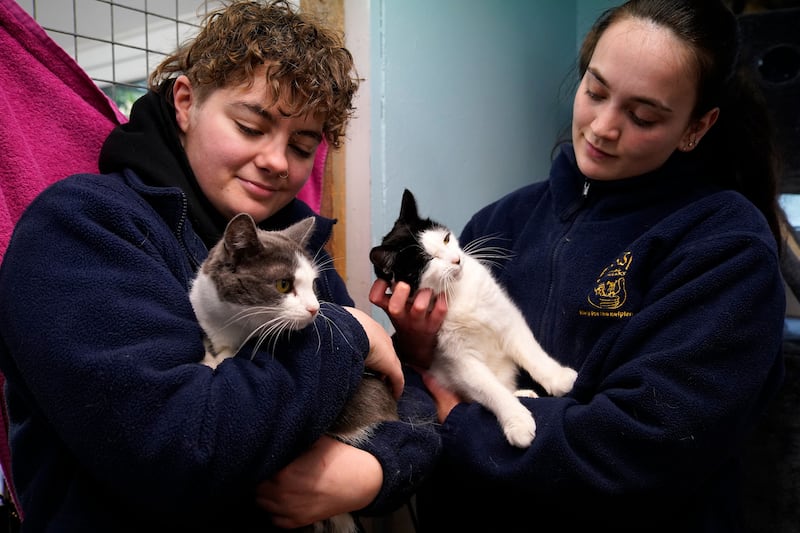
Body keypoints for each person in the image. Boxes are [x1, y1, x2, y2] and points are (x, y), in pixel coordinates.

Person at [0, 1, 438, 531]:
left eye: (302, 145)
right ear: (185, 102)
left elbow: (411, 402)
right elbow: (180, 449)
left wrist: (375, 470)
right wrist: (350, 331)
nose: (278, 161)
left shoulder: (298, 246)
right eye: (252, 126)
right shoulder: (81, 229)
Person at [370, 0, 786, 531]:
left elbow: (641, 446)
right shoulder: (502, 220)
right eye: (595, 91)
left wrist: (459, 418)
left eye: (643, 116)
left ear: (696, 127)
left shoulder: (726, 245)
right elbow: (421, 380)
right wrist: (418, 347)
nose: (603, 127)